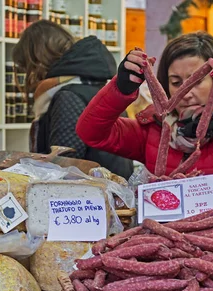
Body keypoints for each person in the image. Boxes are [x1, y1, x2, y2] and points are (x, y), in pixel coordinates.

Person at [75, 32, 213, 179]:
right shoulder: (152, 130)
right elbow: (91, 132)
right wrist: (119, 89)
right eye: (176, 82)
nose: (186, 92)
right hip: (162, 239)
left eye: (196, 81)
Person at [12, 20, 133, 178]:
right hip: (109, 192)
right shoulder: (99, 87)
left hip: (87, 197)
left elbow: (65, 164)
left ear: (39, 61)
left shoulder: (68, 96)